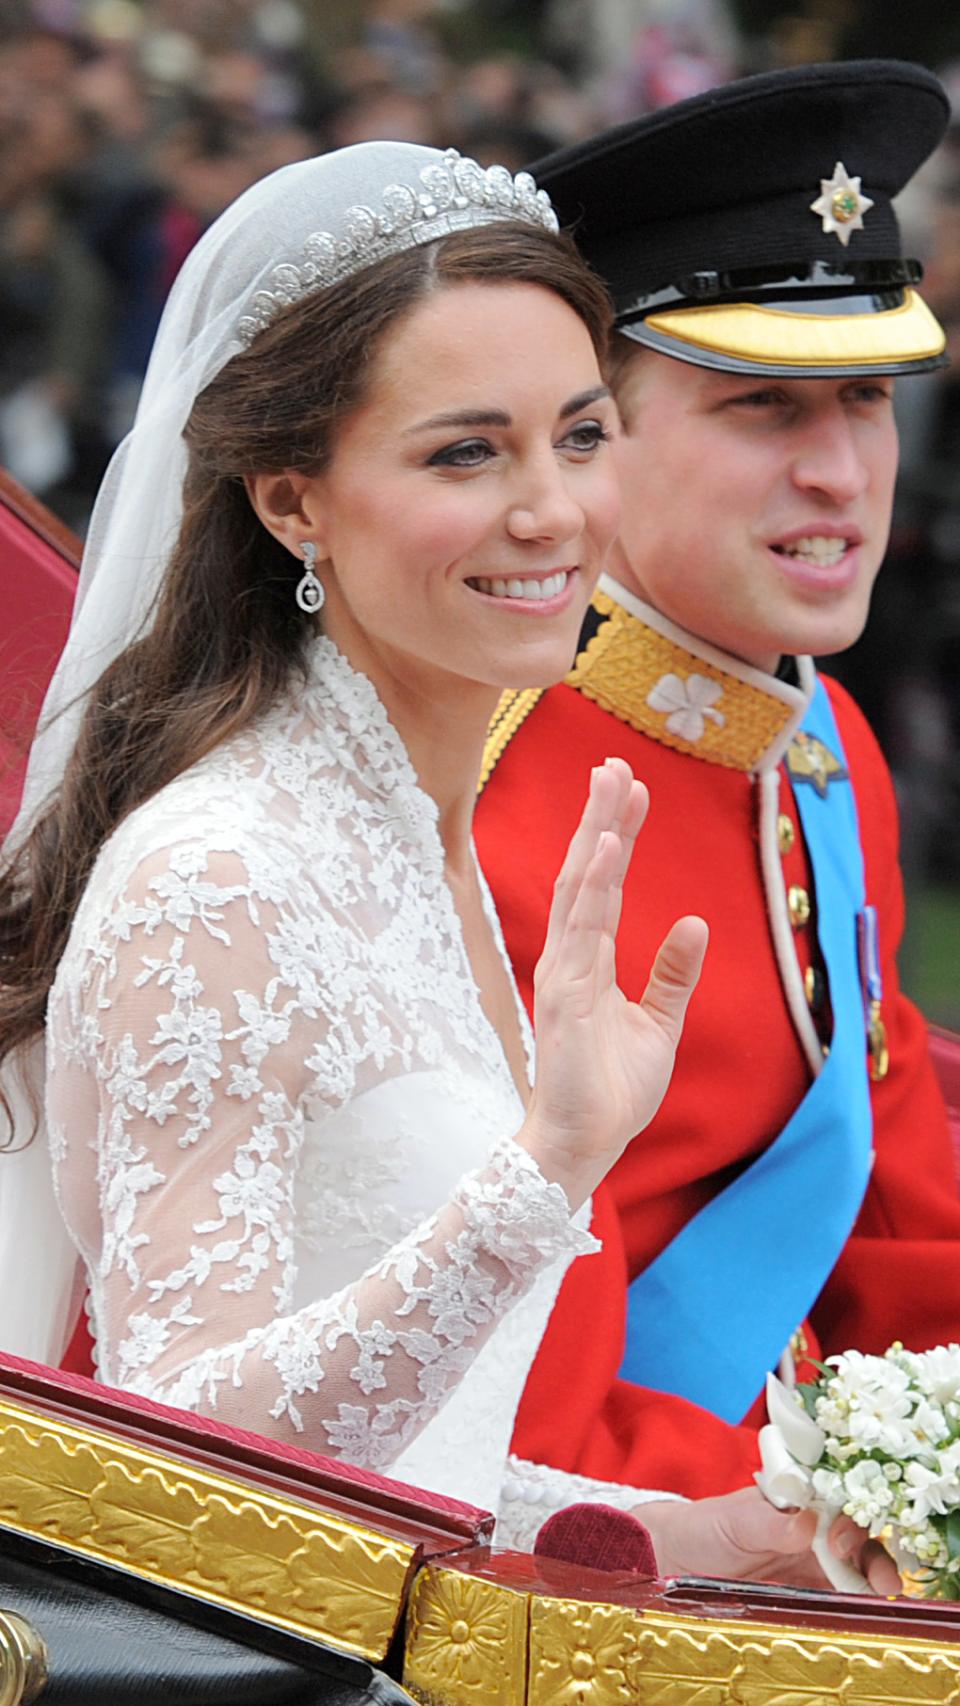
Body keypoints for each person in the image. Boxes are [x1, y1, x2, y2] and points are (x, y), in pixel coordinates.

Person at [0, 138, 716, 1535]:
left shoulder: (408, 831)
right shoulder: (215, 877)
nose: (553, 510)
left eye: (581, 434)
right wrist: (544, 1169)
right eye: (467, 451)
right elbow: (182, 1472)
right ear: (290, 500)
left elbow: (414, 1465)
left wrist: (734, 1534)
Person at [473, 60, 960, 1577]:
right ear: (588, 437)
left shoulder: (821, 740)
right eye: (761, 407)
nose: (839, 470)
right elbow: (534, 1422)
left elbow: (891, 1199)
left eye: (866, 402)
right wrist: (845, 1525)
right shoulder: (483, 801)